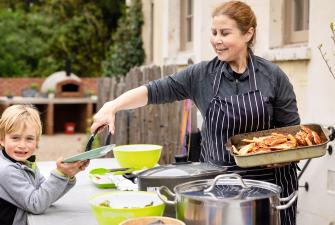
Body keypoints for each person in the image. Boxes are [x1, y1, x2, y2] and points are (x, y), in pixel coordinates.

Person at [91, 1, 299, 224]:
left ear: (248, 34)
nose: (216, 40)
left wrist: (283, 157)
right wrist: (113, 105)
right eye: (214, 32)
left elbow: (293, 133)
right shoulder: (202, 75)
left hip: (268, 188)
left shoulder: (273, 76)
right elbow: (153, 91)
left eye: (225, 33)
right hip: (218, 188)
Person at [0, 104, 89, 225]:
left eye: (29, 139)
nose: (22, 145)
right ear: (2, 140)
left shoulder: (26, 162)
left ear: (37, 141)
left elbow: (46, 197)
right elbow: (36, 204)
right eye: (15, 138)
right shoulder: (6, 170)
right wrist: (61, 174)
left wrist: (68, 175)